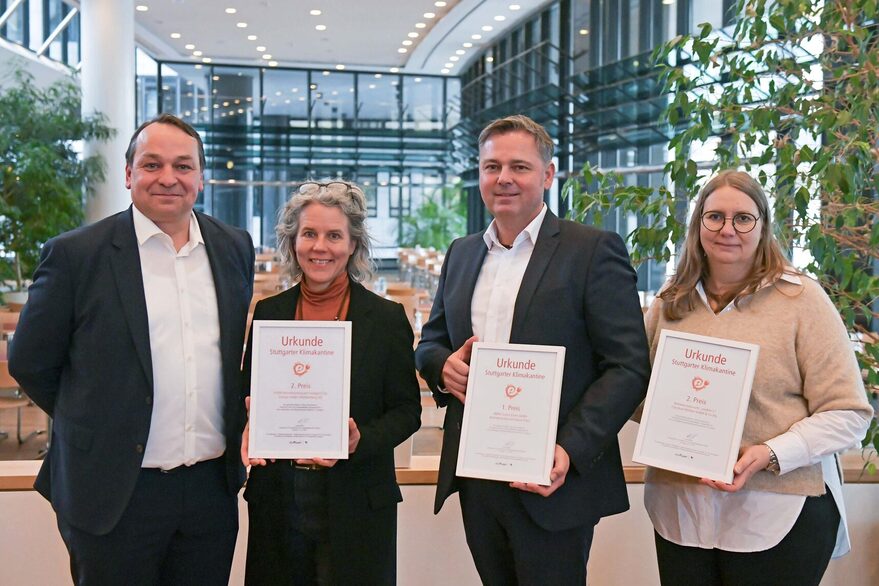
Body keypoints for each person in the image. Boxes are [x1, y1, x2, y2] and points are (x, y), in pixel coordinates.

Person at [8, 114, 255, 585]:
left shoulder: (233, 248)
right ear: (128, 175)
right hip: (113, 492)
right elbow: (30, 361)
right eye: (152, 164)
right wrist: (96, 421)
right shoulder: (76, 255)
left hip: (209, 493)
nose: (168, 178)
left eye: (184, 166)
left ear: (201, 177)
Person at [414, 115, 650, 585]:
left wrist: (569, 448)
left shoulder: (592, 250)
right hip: (477, 473)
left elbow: (627, 366)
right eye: (491, 166)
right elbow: (431, 341)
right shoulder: (462, 253)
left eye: (519, 166)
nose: (503, 178)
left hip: (552, 477)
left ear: (547, 174)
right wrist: (443, 367)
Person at [641, 169, 873, 585]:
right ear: (698, 225)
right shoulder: (668, 303)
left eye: (743, 218)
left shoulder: (802, 300)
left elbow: (849, 413)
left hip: (776, 513)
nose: (727, 229)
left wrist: (770, 453)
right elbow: (635, 392)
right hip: (682, 511)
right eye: (714, 217)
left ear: (763, 226)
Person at [240, 180, 422, 585]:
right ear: (293, 241)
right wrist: (249, 422)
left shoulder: (386, 318)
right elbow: (244, 398)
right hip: (279, 500)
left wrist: (361, 440)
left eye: (334, 235)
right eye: (309, 234)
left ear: (353, 244)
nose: (320, 247)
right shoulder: (269, 313)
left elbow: (408, 412)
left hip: (357, 500)